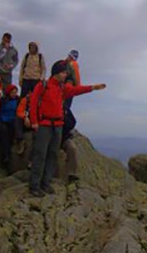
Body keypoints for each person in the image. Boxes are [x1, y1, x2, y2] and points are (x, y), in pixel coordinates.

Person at [28, 60, 106, 197]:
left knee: (52, 155)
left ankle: (45, 183)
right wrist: (34, 122)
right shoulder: (43, 85)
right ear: (57, 73)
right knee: (40, 155)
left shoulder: (62, 88)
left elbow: (75, 90)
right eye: (64, 72)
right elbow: (33, 104)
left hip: (58, 126)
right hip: (45, 125)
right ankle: (35, 186)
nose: (65, 75)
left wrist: (93, 87)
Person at [61, 49, 81, 182]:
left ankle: (72, 174)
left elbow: (72, 121)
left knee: (72, 148)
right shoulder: (67, 64)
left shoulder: (69, 64)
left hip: (62, 135)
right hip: (53, 132)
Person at [0, 84, 20, 168]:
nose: (14, 94)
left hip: (13, 120)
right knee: (4, 133)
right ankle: (6, 155)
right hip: (4, 120)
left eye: (15, 92)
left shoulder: (18, 100)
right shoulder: (3, 100)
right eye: (12, 92)